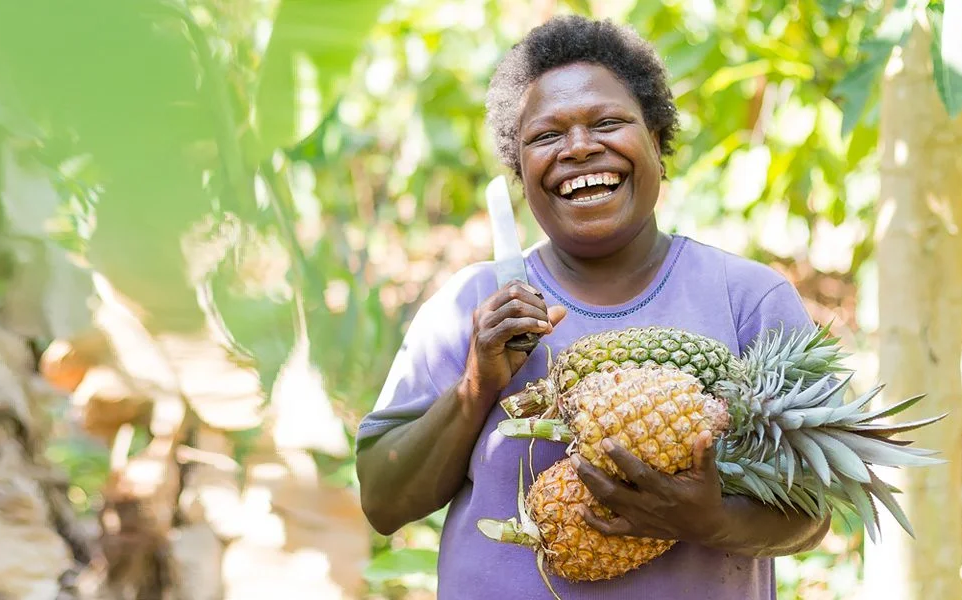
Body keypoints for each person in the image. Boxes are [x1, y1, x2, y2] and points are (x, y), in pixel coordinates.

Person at [353, 15, 829, 599]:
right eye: (547, 136)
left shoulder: (748, 298)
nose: (579, 147)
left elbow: (815, 508)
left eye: (607, 122)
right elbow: (382, 501)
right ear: (520, 170)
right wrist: (477, 386)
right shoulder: (469, 306)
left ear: (656, 141)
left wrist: (713, 523)